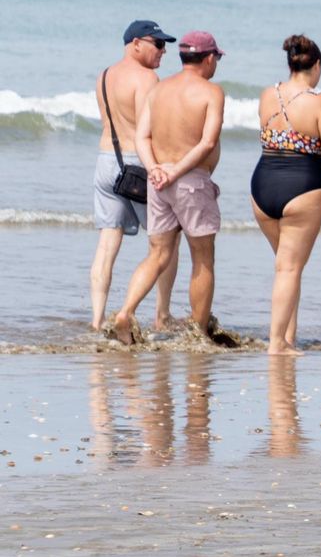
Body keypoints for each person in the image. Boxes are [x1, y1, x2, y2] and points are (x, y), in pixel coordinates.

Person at [110, 31, 228, 345]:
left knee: (157, 254)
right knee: (203, 258)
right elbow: (207, 141)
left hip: (158, 181)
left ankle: (125, 311)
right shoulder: (211, 92)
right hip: (190, 181)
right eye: (216, 57)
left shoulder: (159, 90)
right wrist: (176, 170)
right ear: (209, 58)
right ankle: (199, 333)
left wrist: (155, 170)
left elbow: (141, 138)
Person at [249, 35, 321, 355]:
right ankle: (276, 344)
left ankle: (287, 337)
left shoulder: (268, 94)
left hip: (263, 185)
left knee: (285, 266)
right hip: (302, 186)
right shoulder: (320, 102)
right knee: (289, 268)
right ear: (318, 65)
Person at [91, 20, 179, 332]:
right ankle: (162, 316)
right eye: (158, 44)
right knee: (165, 240)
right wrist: (161, 166)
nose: (163, 50)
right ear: (137, 43)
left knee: (107, 243)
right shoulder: (147, 79)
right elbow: (148, 131)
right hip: (137, 165)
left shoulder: (103, 75)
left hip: (106, 161)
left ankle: (96, 319)